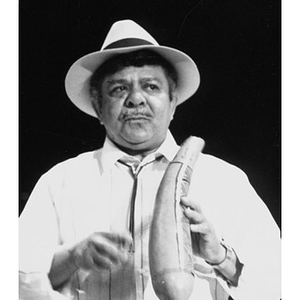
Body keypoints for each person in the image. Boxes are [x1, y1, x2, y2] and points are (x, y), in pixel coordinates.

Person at [19, 20, 280, 300]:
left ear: (173, 102)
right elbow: (12, 281)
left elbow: (280, 280)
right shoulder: (60, 181)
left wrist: (220, 255)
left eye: (151, 87)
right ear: (98, 107)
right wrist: (72, 257)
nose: (136, 99)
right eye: (119, 89)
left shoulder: (224, 179)